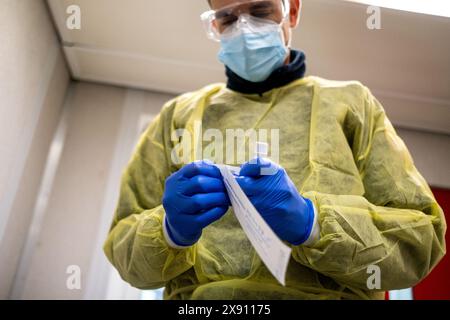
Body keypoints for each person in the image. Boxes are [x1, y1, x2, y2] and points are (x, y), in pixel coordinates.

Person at [103, 0, 446, 299]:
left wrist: (312, 222)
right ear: (215, 25)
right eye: (228, 18)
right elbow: (124, 249)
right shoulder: (178, 117)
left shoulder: (351, 104)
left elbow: (420, 241)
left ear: (291, 11)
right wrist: (169, 231)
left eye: (260, 10)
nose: (245, 28)